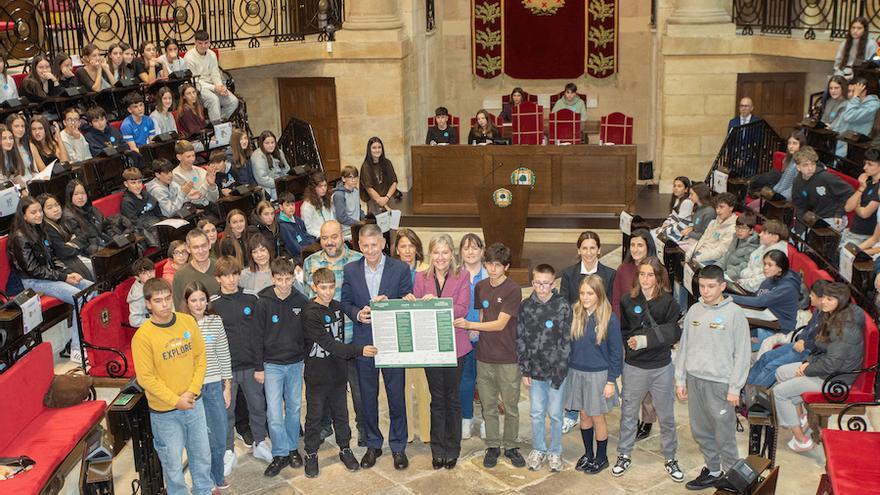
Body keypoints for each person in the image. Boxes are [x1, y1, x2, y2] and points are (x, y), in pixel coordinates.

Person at [341, 224, 414, 470]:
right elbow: (345, 302)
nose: (370, 250)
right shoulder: (351, 270)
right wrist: (358, 314)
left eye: (374, 245)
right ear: (359, 246)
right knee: (367, 396)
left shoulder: (400, 268)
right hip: (364, 341)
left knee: (396, 395)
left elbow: (406, 298)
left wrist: (391, 302)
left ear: (383, 243)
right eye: (365, 246)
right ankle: (373, 444)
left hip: (392, 340)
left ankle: (398, 446)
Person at [130, 277, 212, 495]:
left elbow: (200, 358)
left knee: (202, 457)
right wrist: (176, 400)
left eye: (167, 298)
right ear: (148, 304)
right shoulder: (142, 337)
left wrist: (192, 391)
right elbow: (146, 378)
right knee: (173, 466)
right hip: (165, 413)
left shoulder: (187, 322)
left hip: (194, 403)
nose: (165, 304)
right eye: (158, 301)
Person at [674, 265, 750, 490]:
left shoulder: (735, 314)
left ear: (723, 286)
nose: (705, 291)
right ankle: (714, 471)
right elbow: (685, 346)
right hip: (694, 379)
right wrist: (680, 379)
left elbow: (742, 354)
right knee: (700, 431)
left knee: (724, 433)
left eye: (711, 286)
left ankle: (733, 477)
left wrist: (735, 388)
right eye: (701, 286)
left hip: (720, 384)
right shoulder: (694, 311)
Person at [453, 243, 525, 469]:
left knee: (511, 406)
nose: (493, 269)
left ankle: (511, 446)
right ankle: (493, 445)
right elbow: (484, 315)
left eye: (498, 265)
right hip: (484, 355)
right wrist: (477, 329)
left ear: (507, 267)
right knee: (488, 405)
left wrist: (471, 325)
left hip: (508, 357)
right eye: (489, 264)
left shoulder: (513, 289)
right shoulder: (481, 286)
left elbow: (500, 324)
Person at [612, 257, 684, 482]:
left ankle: (670, 457)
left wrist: (644, 340)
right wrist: (630, 346)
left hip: (661, 366)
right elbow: (624, 331)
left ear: (658, 277)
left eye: (650, 275)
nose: (645, 279)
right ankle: (624, 454)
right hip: (635, 366)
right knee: (628, 413)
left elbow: (673, 333)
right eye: (642, 274)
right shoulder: (628, 299)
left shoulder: (669, 302)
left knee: (666, 416)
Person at [302, 267, 378, 477]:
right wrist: (359, 350)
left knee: (341, 414)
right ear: (314, 287)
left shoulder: (336, 307)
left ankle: (345, 448)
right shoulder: (309, 312)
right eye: (323, 288)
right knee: (314, 416)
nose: (327, 292)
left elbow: (350, 323)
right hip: (317, 374)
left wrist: (374, 305)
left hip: (337, 373)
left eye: (331, 287)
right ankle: (311, 453)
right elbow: (329, 344)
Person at [773, 282, 864, 452]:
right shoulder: (836, 316)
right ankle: (800, 417)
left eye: (829, 299)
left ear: (841, 301)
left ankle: (801, 440)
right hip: (827, 368)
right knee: (781, 372)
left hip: (836, 380)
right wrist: (807, 362)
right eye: (824, 298)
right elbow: (823, 348)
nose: (823, 302)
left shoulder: (845, 327)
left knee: (780, 392)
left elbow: (832, 364)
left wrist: (807, 369)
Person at [302, 220, 366, 444]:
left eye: (334, 236)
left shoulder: (358, 261)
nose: (329, 242)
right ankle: (325, 425)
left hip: (352, 337)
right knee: (326, 391)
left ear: (343, 236)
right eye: (325, 237)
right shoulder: (310, 262)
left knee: (359, 391)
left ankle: (363, 429)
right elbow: (307, 300)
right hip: (324, 344)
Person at [8, 196, 93, 363]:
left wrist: (68, 273)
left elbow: (51, 260)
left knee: (91, 288)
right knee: (79, 297)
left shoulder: (39, 229)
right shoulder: (20, 237)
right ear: (24, 215)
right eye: (33, 212)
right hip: (32, 282)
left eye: (40, 211)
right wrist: (64, 277)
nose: (39, 215)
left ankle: (86, 338)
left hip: (49, 276)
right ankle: (77, 348)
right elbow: (33, 270)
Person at [412, 234, 472, 469]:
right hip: (430, 346)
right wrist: (417, 302)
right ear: (430, 254)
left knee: (452, 398)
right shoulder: (420, 277)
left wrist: (436, 302)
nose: (440, 257)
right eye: (436, 252)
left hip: (455, 346)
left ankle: (452, 448)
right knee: (437, 399)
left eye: (445, 252)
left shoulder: (462, 275)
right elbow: (416, 310)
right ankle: (437, 450)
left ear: (452, 254)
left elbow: (462, 308)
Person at [211, 256, 271, 474]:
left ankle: (260, 442)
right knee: (226, 412)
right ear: (218, 278)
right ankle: (228, 450)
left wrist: (259, 364)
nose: (231, 279)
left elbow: (260, 333)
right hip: (225, 371)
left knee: (258, 406)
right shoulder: (212, 304)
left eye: (235, 274)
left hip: (251, 366)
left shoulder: (251, 298)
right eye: (226, 275)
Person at [254, 257, 309, 477]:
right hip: (272, 365)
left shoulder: (301, 301)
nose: (284, 284)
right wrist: (259, 367)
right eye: (279, 279)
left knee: (294, 408)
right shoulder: (263, 302)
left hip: (295, 363)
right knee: (275, 412)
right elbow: (256, 337)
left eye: (288, 279)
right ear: (273, 278)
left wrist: (305, 360)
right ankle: (280, 453)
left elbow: (307, 334)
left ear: (293, 278)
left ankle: (292, 448)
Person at [516, 264, 571, 473]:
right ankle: (538, 448)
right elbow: (520, 338)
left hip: (557, 372)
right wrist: (525, 369)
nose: (542, 288)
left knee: (556, 414)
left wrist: (561, 370)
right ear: (532, 282)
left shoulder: (562, 305)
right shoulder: (526, 306)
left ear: (553, 283)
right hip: (535, 372)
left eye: (546, 284)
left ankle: (555, 451)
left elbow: (566, 341)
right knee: (537, 413)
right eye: (538, 283)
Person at [566, 275, 622, 475]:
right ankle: (588, 454)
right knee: (584, 415)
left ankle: (602, 457)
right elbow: (569, 346)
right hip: (577, 372)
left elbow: (616, 353)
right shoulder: (575, 314)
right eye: (582, 293)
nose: (585, 297)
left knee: (597, 417)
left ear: (599, 294)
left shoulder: (609, 318)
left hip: (598, 375)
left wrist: (611, 381)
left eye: (590, 293)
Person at [181, 280, 232, 491]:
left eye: (202, 299)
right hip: (193, 389)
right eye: (194, 300)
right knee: (199, 439)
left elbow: (223, 353)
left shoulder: (215, 321)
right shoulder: (181, 324)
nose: (198, 304)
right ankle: (205, 481)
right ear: (186, 302)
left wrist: (227, 386)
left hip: (214, 385)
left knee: (219, 434)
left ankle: (218, 474)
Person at [747, 279, 829, 388]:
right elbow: (807, 327)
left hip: (810, 352)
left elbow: (823, 343)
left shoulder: (829, 318)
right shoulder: (818, 310)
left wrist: (805, 344)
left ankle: (753, 393)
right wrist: (801, 339)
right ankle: (745, 386)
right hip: (801, 344)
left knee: (772, 366)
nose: (810, 296)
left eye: (813, 295)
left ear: (821, 299)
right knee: (765, 357)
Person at [394, 229, 431, 444]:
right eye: (403, 246)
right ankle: (407, 432)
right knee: (404, 385)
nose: (407, 250)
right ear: (397, 249)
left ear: (417, 248)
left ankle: (426, 431)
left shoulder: (427, 270)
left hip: (423, 334)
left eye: (411, 246)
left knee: (424, 385)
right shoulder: (391, 270)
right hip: (401, 334)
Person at [732, 249, 802, 351]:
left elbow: (759, 302)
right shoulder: (771, 279)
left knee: (735, 339)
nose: (765, 268)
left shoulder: (787, 287)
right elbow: (756, 297)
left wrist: (730, 297)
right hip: (765, 318)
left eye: (770, 265)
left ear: (780, 268)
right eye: (764, 264)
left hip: (779, 327)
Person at [457, 233, 486, 440]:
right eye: (466, 248)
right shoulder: (455, 275)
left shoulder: (490, 274)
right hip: (462, 334)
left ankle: (486, 419)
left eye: (475, 247)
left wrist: (480, 327)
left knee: (485, 380)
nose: (470, 252)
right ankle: (466, 418)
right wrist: (466, 328)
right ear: (460, 252)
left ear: (482, 251)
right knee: (465, 379)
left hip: (486, 335)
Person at [791, 146, 853, 233]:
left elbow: (849, 191)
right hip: (814, 218)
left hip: (832, 217)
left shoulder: (826, 177)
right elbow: (799, 207)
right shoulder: (797, 182)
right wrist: (800, 229)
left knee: (811, 238)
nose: (810, 168)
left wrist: (839, 213)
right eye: (805, 165)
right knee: (795, 235)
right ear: (798, 167)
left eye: (813, 164)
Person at [184, 30, 239, 121]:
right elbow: (195, 81)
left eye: (206, 43)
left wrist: (220, 87)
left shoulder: (212, 54)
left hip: (213, 85)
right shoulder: (189, 57)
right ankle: (217, 125)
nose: (203, 46)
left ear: (209, 42)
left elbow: (215, 74)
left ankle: (217, 123)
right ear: (195, 42)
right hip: (198, 88)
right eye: (200, 43)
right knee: (214, 100)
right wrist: (214, 88)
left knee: (233, 101)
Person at [37, 193, 93, 280]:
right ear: (42, 212)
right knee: (97, 268)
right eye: (49, 207)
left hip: (78, 255)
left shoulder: (64, 220)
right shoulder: (47, 229)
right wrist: (75, 244)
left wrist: (71, 244)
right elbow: (64, 252)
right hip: (66, 264)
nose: (56, 209)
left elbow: (84, 236)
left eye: (57, 205)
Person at [559, 231, 616, 306]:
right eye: (584, 248)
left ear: (598, 250)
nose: (589, 252)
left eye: (592, 248)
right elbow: (563, 305)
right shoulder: (568, 274)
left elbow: (610, 304)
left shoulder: (610, 275)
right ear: (579, 250)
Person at [840, 147, 880, 253]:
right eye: (865, 163)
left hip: (865, 237)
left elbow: (864, 213)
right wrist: (861, 188)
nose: (865, 167)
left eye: (870, 164)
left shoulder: (879, 189)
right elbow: (848, 208)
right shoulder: (867, 184)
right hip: (852, 231)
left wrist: (856, 205)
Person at [611, 229, 657, 316]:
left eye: (640, 245)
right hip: (626, 321)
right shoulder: (622, 269)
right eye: (632, 245)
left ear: (648, 247)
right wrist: (621, 322)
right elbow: (616, 302)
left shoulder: (659, 270)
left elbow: (664, 304)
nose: (635, 249)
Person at [61, 180, 115, 255]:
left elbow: (106, 226)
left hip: (105, 244)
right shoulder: (69, 217)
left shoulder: (91, 208)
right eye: (76, 194)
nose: (80, 197)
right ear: (70, 196)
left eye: (83, 193)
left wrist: (115, 239)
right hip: (93, 252)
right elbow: (82, 244)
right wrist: (102, 251)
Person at [736, 219, 790, 291]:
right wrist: (750, 275)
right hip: (746, 284)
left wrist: (741, 282)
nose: (759, 234)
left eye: (764, 233)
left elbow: (760, 282)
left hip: (756, 291)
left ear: (775, 238)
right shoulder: (763, 246)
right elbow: (747, 268)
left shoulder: (777, 255)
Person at [172, 229, 220, 309]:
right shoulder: (180, 276)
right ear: (188, 249)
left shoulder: (221, 267)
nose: (201, 251)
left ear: (209, 245)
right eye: (195, 247)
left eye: (203, 246)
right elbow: (179, 309)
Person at [686, 192, 738, 265]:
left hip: (713, 260)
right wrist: (690, 252)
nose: (718, 210)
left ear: (731, 208)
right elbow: (702, 239)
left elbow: (721, 252)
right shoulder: (713, 222)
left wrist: (698, 258)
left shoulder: (733, 228)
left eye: (721, 207)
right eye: (716, 207)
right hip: (701, 253)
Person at [832, 77, 880, 155]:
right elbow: (841, 122)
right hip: (842, 142)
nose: (851, 94)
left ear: (864, 92)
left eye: (854, 91)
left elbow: (848, 117)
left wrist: (855, 97)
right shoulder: (853, 103)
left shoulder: (873, 106)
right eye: (849, 91)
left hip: (856, 147)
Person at [121, 167, 162, 246]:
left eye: (139, 182)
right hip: (145, 231)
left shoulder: (146, 194)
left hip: (156, 225)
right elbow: (135, 224)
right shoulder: (127, 202)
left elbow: (158, 212)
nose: (137, 186)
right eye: (133, 183)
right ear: (126, 184)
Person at [172, 140, 220, 208]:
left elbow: (215, 198)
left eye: (193, 155)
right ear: (179, 157)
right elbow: (196, 199)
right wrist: (206, 184)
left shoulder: (201, 171)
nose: (192, 159)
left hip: (211, 206)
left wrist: (212, 185)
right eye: (188, 156)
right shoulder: (176, 175)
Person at [359, 136, 398, 216]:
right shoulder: (366, 166)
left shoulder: (387, 163)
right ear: (369, 150)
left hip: (388, 198)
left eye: (379, 147)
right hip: (374, 202)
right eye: (374, 148)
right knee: (377, 223)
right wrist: (381, 201)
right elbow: (369, 188)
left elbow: (394, 182)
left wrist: (387, 197)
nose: (377, 150)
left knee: (391, 222)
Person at [251, 130, 290, 201]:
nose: (270, 145)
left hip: (282, 183)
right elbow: (262, 179)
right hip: (268, 188)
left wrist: (286, 181)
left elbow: (286, 169)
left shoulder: (279, 152)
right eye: (267, 143)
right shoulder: (257, 156)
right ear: (262, 144)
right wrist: (280, 184)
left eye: (272, 142)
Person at [719, 211, 759, 277]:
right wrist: (715, 268)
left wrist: (724, 274)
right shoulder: (736, 238)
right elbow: (726, 256)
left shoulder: (753, 247)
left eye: (744, 228)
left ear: (751, 230)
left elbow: (744, 267)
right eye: (738, 227)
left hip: (734, 276)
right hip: (724, 272)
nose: (739, 231)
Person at [653, 176, 693, 242]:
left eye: (679, 186)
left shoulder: (687, 202)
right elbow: (672, 217)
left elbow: (681, 227)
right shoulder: (677, 199)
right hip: (672, 229)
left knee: (651, 238)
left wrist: (663, 231)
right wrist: (664, 224)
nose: (676, 188)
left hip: (679, 235)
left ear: (686, 189)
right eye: (674, 186)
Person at [278, 191, 316, 260]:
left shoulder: (297, 219)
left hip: (308, 250)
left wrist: (313, 244)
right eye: (287, 205)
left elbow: (306, 235)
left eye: (293, 205)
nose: (291, 207)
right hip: (298, 257)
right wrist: (309, 250)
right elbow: (294, 247)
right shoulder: (283, 226)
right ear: (281, 207)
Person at [332, 165, 364, 240]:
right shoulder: (339, 195)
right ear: (343, 179)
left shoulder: (355, 190)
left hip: (356, 227)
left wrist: (364, 218)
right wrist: (358, 223)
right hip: (345, 232)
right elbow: (341, 217)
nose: (354, 180)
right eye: (350, 177)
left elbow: (358, 209)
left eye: (356, 177)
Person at [299, 172, 334, 239]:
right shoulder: (307, 206)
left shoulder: (326, 198)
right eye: (320, 186)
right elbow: (308, 229)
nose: (324, 189)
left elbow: (332, 217)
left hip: (330, 233)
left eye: (325, 185)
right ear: (313, 188)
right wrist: (323, 235)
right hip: (318, 237)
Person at [127, 257, 156, 328]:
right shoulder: (138, 296)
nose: (149, 275)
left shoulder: (152, 283)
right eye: (144, 273)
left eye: (151, 271)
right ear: (137, 277)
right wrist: (155, 320)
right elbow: (134, 321)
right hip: (151, 326)